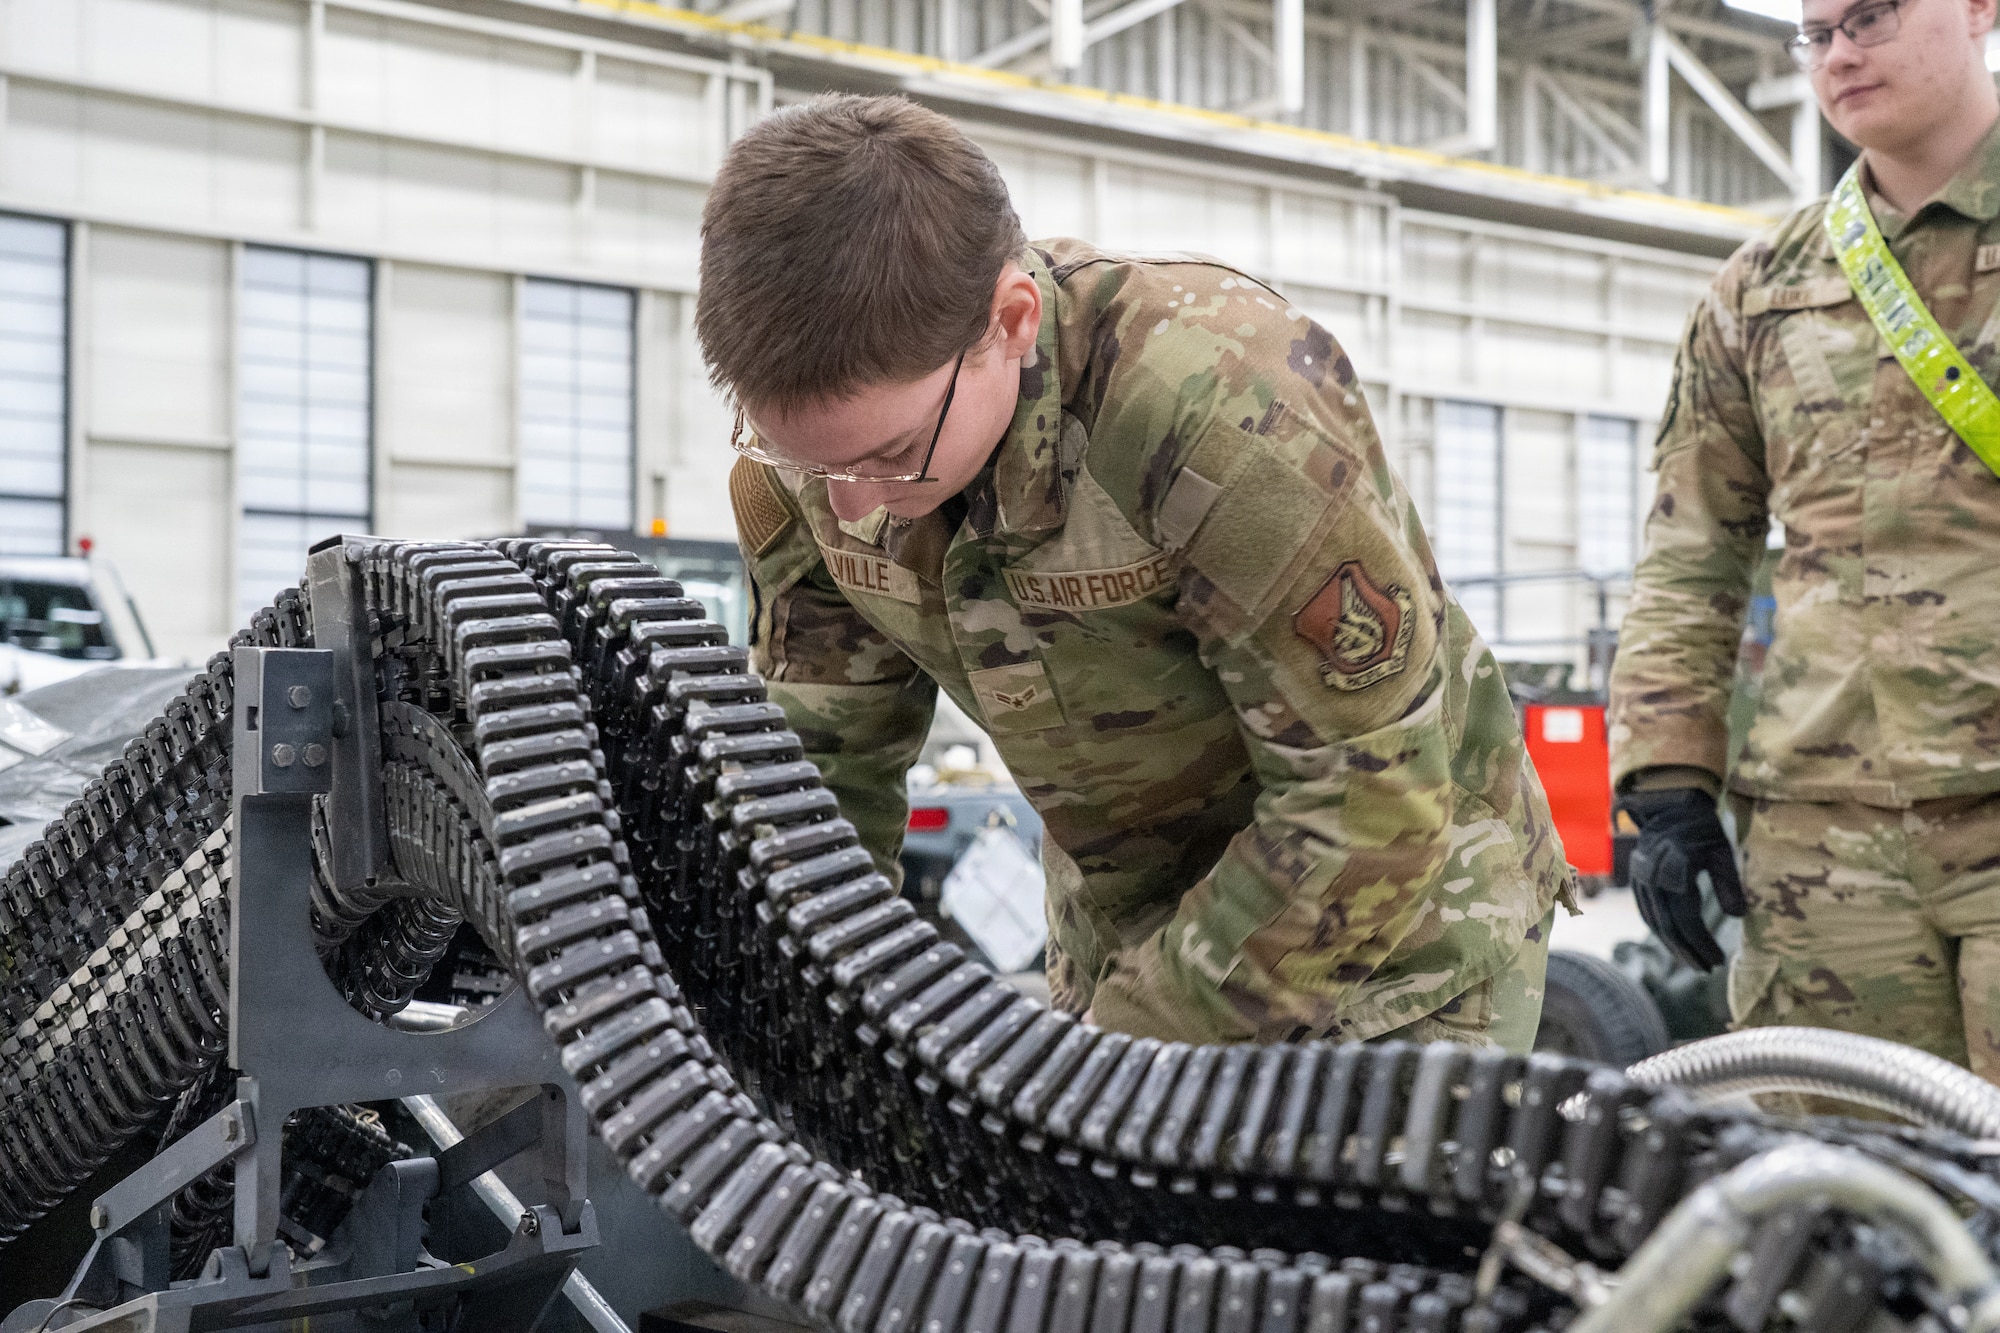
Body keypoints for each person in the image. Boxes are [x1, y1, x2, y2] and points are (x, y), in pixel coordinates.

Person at [702, 94, 1571, 1047]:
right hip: (1124, 933)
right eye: (808, 462)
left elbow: (1371, 795)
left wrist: (1114, 1057)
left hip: (1400, 942)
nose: (851, 503)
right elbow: (825, 772)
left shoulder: (1224, 411)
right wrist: (789, 1024)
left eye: (893, 453)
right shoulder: (813, 469)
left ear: (1011, 322)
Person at [1610, 0, 2000, 1076]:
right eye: (1813, 32)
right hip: (1823, 844)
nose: (1836, 54)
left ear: (1977, 9)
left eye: (1868, 17)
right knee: (1844, 1203)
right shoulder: (1760, 289)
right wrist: (1665, 778)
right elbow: (1691, 551)